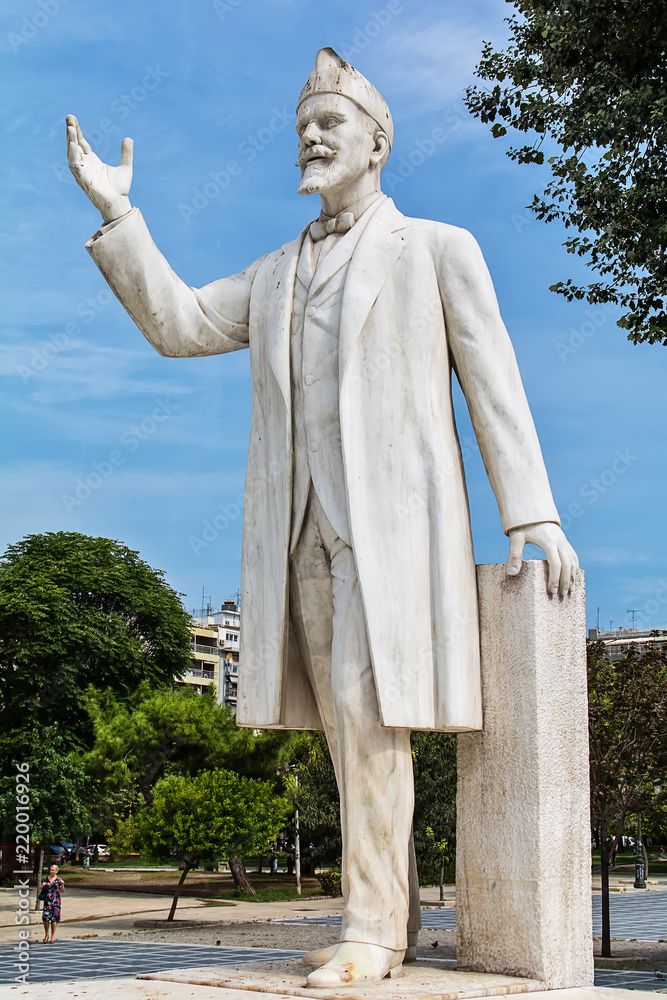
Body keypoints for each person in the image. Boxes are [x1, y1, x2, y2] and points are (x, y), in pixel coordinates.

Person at [66, 47, 578, 987]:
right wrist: (119, 214)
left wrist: (530, 512)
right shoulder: (273, 274)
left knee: (369, 712)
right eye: (302, 123)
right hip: (298, 530)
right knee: (349, 734)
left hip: (391, 533)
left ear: (376, 141)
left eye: (328, 122)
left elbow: (492, 381)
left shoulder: (433, 248)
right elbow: (180, 324)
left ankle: (375, 930)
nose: (308, 135)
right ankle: (382, 919)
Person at [40, 864, 64, 943]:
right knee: (45, 918)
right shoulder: (46, 879)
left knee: (54, 919)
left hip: (56, 901)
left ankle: (53, 935)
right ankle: (46, 934)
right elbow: (39, 888)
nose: (51, 871)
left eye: (53, 870)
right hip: (47, 901)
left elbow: (62, 891)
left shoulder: (59, 880)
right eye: (50, 870)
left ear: (56, 871)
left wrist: (62, 884)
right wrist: (42, 886)